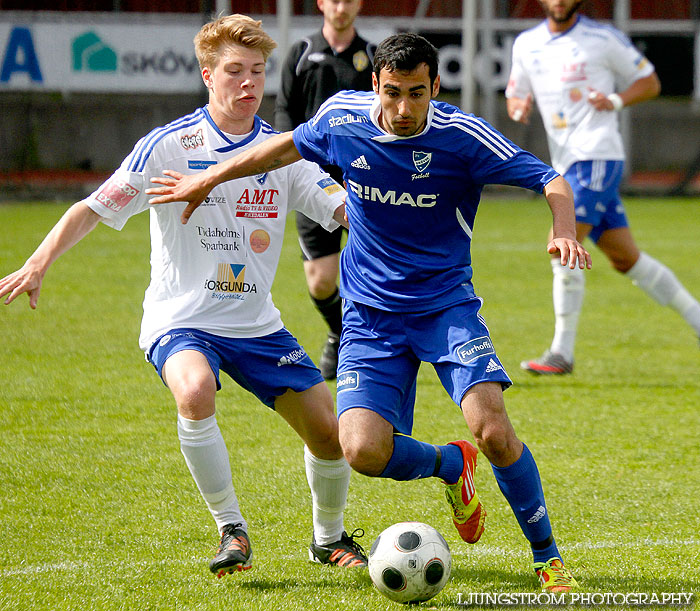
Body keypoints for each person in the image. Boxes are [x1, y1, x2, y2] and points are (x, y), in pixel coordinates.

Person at [146, 32, 593, 592]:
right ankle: (450, 465)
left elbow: (550, 179)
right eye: (392, 93)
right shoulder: (341, 118)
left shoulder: (460, 137)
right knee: (359, 450)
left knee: (495, 433)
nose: (404, 109)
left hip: (445, 309)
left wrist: (563, 231)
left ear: (435, 87)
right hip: (370, 319)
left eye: (417, 94)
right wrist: (206, 177)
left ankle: (546, 557)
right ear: (374, 84)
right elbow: (280, 148)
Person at [0, 15, 368, 577]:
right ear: (206, 75)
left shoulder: (281, 152)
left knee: (330, 432)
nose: (249, 83)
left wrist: (393, 216)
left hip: (256, 325)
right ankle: (231, 530)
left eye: (257, 72)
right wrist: (37, 261)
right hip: (182, 320)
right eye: (234, 71)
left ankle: (329, 539)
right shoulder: (168, 147)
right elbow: (91, 209)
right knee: (194, 390)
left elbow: (342, 209)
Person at [507, 0, 700, 375]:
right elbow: (516, 92)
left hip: (597, 156)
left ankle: (561, 353)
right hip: (566, 163)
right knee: (626, 258)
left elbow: (650, 82)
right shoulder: (526, 44)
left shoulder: (602, 38)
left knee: (560, 239)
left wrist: (614, 99)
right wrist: (518, 107)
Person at [274, 0, 375, 380]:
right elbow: (285, 112)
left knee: (375, 266)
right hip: (312, 179)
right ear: (321, 3)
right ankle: (338, 331)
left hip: (362, 181)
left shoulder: (372, 56)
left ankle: (374, 346)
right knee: (320, 281)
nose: (341, 6)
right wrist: (293, 164)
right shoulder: (300, 53)